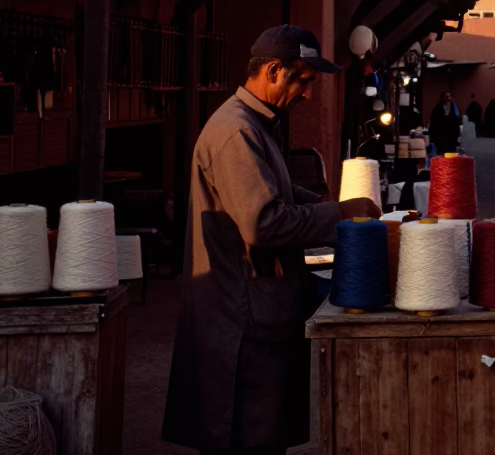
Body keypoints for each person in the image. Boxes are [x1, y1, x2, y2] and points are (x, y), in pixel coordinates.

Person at [163, 25, 382, 455]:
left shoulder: (258, 125)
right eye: (303, 81)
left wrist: (327, 203)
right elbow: (265, 223)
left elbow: (274, 193)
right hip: (241, 324)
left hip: (256, 314)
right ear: (275, 70)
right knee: (247, 439)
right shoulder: (236, 133)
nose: (307, 95)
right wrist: (338, 214)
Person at [428, 91, 461, 155]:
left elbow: (458, 119)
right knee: (442, 152)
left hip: (452, 134)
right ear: (442, 98)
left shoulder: (454, 106)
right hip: (441, 134)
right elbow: (434, 121)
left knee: (451, 152)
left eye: (449, 96)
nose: (448, 98)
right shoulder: (437, 108)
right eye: (446, 97)